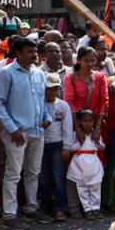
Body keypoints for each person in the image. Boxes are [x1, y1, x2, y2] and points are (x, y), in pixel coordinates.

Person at [0, 36, 49, 230]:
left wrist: (46, 116)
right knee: (13, 173)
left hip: (37, 131)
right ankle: (9, 215)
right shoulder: (7, 73)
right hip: (17, 132)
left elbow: (42, 100)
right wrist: (12, 129)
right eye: (29, 51)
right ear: (17, 53)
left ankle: (31, 207)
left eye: (35, 51)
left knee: (33, 172)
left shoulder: (38, 73)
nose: (34, 55)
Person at [39, 73, 72, 222]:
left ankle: (60, 208)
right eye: (49, 89)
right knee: (43, 178)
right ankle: (46, 207)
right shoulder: (39, 104)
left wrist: (66, 147)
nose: (52, 92)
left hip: (57, 145)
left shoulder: (63, 106)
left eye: (55, 89)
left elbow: (67, 127)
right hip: (41, 145)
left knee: (58, 178)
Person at [66, 109, 106, 219]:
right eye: (85, 121)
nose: (88, 124)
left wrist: (97, 142)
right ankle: (87, 209)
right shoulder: (76, 134)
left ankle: (96, 208)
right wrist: (80, 143)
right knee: (82, 187)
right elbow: (70, 148)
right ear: (79, 122)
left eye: (90, 121)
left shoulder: (96, 133)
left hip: (93, 163)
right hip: (79, 163)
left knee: (95, 186)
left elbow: (102, 147)